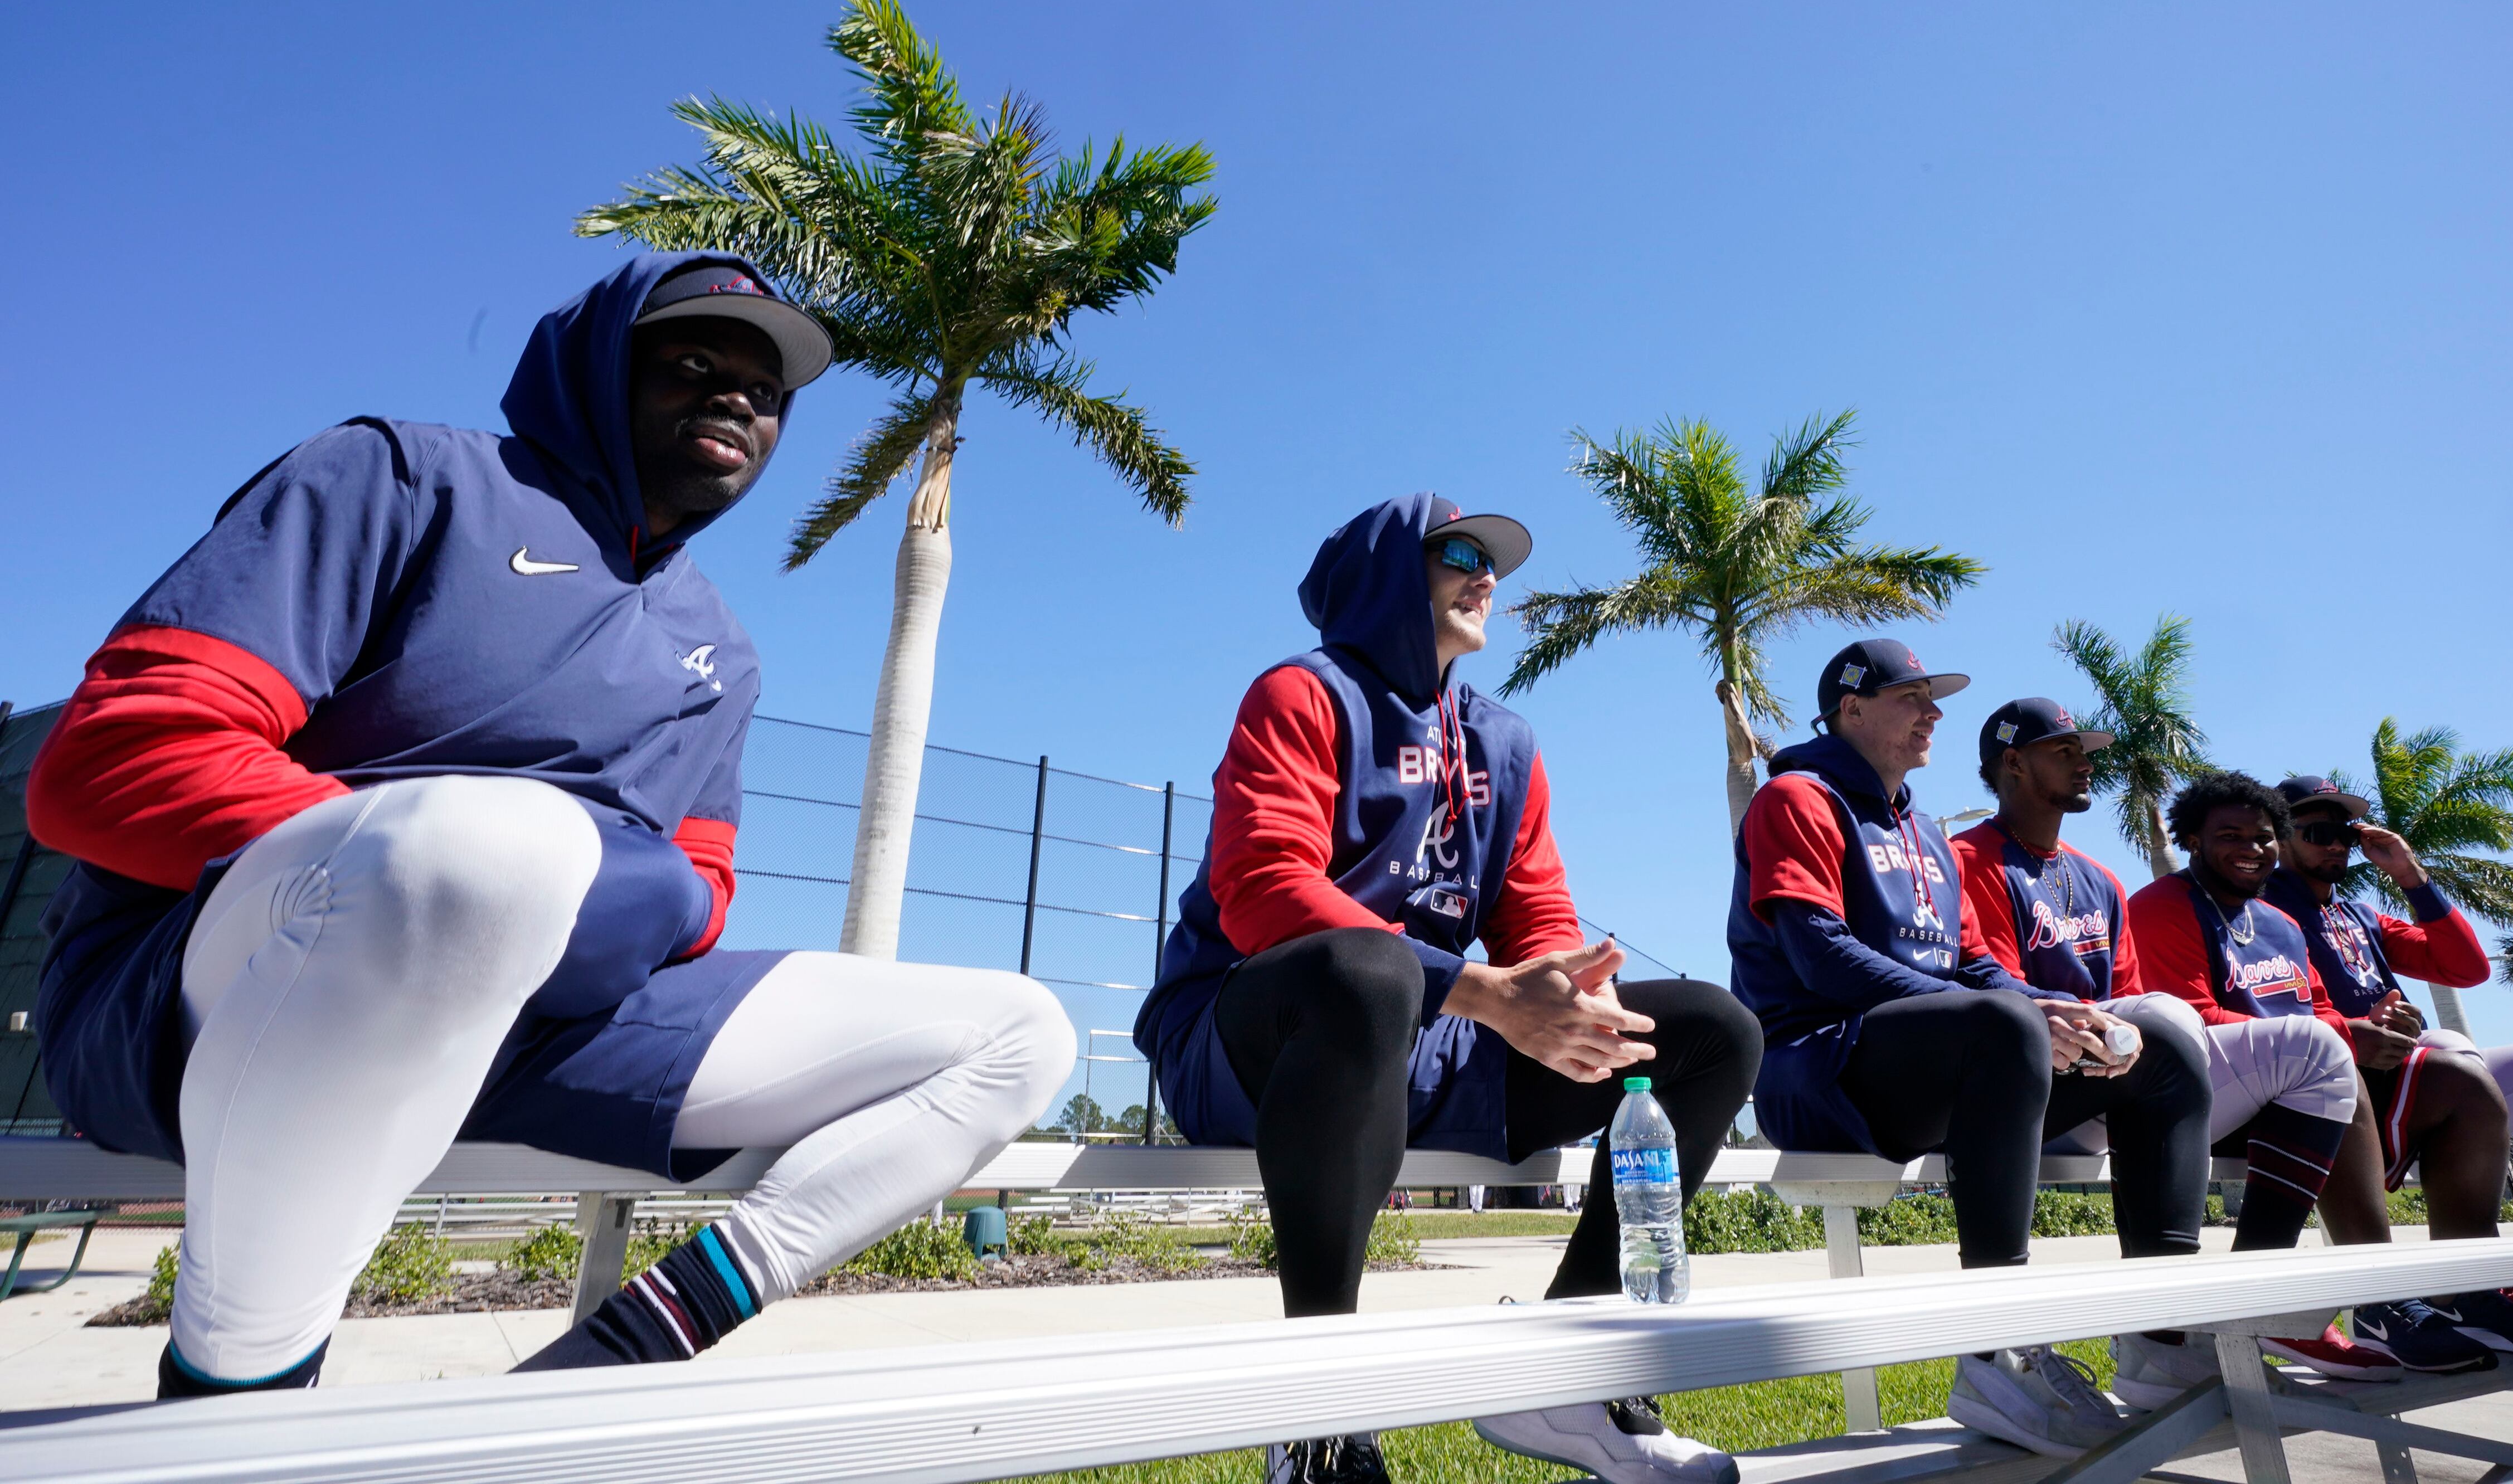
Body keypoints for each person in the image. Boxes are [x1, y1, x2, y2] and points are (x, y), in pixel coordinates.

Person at [27, 254, 1075, 1398]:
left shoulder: (717, 645)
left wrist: (557, 908)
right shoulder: (399, 475)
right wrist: (469, 877)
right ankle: (233, 1406)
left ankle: (575, 1382)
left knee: (1018, 1032)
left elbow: (702, 892)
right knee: (492, 853)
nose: (737, 397)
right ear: (592, 372)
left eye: (767, 390)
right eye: (691, 362)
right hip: (211, 987)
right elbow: (111, 764)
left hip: (544, 1012)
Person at [1133, 495, 1763, 1484]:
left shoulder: (1504, 740)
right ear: (1388, 569)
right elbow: (1260, 893)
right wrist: (1477, 988)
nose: (1488, 576)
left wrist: (1560, 987)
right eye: (1459, 554)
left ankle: (1570, 1369)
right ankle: (1322, 1414)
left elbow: (1536, 913)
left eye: (1493, 561)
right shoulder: (1301, 695)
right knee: (1367, 970)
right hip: (1249, 1036)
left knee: (1706, 1030)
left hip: (1426, 1032)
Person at [1728, 644, 2210, 1460]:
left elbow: (1973, 963)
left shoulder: (1924, 827)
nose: (1934, 713)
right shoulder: (1796, 798)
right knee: (2008, 1025)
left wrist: (2057, 1009)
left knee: (2158, 1044)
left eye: (1935, 698)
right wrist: (2005, 1014)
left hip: (1949, 1062)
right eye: (1912, 696)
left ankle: (2162, 1332)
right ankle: (1999, 1344)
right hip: (1818, 1065)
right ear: (1851, 709)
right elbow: (1820, 954)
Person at [1948, 701, 2393, 1399]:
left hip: (2129, 1090)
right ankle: (2167, 1331)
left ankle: (2247, 1308)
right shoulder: (1968, 860)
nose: (2085, 759)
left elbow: (2128, 998)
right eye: (2064, 749)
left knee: (2317, 1056)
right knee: (2183, 1019)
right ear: (2012, 763)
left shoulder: (2099, 879)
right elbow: (1995, 990)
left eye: (2083, 748)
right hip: (2035, 1092)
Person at [2264, 776, 2513, 1337]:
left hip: (2415, 1078)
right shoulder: (2260, 908)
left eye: (2345, 834)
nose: (2336, 845)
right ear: (2277, 836)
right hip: (2344, 1096)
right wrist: (2356, 1030)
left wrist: (2408, 874)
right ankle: (2464, 1289)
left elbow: (2465, 968)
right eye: (2318, 831)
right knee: (2450, 1054)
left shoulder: (2357, 914)